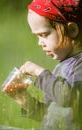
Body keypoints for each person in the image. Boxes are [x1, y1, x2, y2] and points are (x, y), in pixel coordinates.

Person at [19, 0, 82, 130]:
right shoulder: (62, 66)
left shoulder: (79, 65)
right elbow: (52, 115)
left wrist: (40, 73)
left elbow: (70, 99)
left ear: (72, 30)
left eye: (44, 35)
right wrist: (27, 102)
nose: (40, 43)